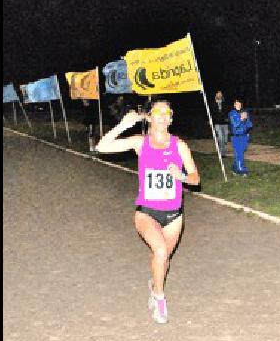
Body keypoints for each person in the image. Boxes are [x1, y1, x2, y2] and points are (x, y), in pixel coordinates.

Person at [94, 100, 200, 324]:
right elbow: (102, 147)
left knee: (163, 260)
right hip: (147, 212)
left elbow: (195, 178)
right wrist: (124, 124)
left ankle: (155, 283)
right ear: (149, 117)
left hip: (174, 214)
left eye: (167, 113)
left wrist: (180, 176)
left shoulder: (179, 145)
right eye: (157, 112)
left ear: (171, 119)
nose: (162, 116)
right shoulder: (140, 143)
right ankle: (159, 299)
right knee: (160, 251)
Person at [227, 98, 253, 176]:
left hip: (244, 136)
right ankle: (241, 170)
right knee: (239, 153)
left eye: (240, 104)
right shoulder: (232, 113)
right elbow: (235, 124)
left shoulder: (244, 112)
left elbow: (250, 124)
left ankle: (235, 168)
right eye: (237, 104)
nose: (239, 105)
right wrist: (241, 118)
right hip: (236, 136)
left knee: (239, 153)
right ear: (234, 105)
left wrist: (246, 120)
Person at [210, 90, 231, 155]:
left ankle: (221, 147)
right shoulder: (212, 104)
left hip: (225, 123)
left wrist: (229, 118)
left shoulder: (225, 103)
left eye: (220, 94)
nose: (219, 95)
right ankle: (222, 153)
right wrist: (209, 120)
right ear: (216, 95)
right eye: (218, 94)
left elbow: (228, 112)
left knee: (225, 139)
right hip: (217, 123)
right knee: (221, 137)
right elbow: (210, 113)